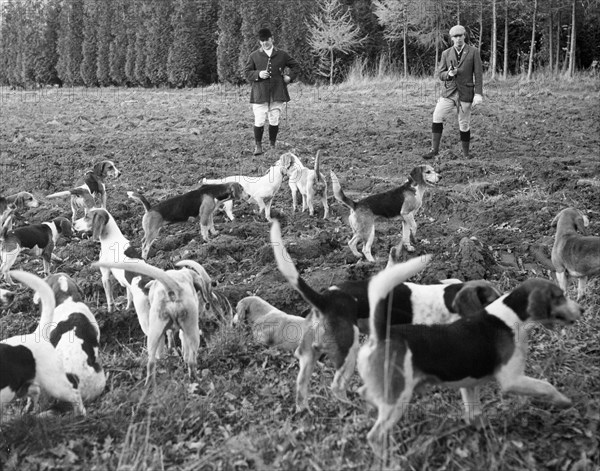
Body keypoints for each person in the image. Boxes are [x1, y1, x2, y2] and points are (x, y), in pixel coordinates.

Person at [423, 24, 483, 159]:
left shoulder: (473, 52)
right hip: (449, 92)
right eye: (455, 37)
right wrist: (449, 74)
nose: (458, 39)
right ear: (451, 39)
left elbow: (478, 74)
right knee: (437, 115)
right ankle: (434, 150)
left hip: (465, 93)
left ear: (464, 36)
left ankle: (466, 154)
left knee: (464, 123)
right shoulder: (446, 53)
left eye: (460, 36)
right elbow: (440, 74)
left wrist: (478, 94)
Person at [244, 28, 301, 155]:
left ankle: (272, 145)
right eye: (262, 41)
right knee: (259, 120)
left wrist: (289, 77)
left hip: (277, 91)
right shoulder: (253, 56)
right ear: (260, 42)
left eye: (267, 40)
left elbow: (296, 66)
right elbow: (247, 73)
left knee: (274, 119)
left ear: (272, 39)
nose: (265, 43)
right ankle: (258, 146)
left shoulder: (282, 54)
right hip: (260, 92)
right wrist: (258, 73)